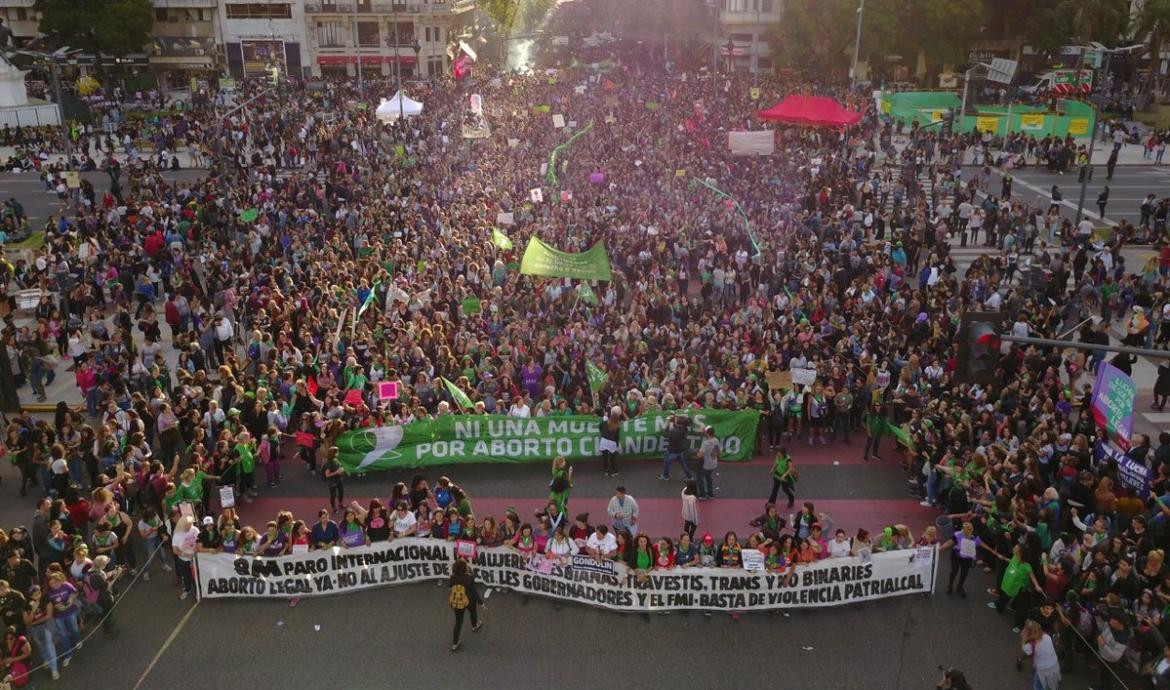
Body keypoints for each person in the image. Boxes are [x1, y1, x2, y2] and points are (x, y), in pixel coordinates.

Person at [448, 558, 483, 652]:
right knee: (473, 612)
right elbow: (474, 592)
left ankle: (455, 644)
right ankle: (474, 626)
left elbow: (450, 586)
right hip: (469, 600)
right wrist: (481, 603)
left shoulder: (453, 577)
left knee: (458, 622)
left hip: (458, 602)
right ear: (465, 568)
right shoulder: (470, 578)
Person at [1021, 619, 1061, 690]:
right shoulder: (1047, 637)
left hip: (1042, 669)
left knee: (1038, 686)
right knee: (1053, 684)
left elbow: (1026, 651)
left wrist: (1023, 640)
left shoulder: (1030, 645)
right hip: (1055, 664)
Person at [170, 514, 199, 600]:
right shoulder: (177, 534)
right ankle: (187, 590)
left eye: (191, 524)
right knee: (186, 577)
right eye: (188, 525)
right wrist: (186, 555)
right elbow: (175, 550)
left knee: (196, 578)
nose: (190, 527)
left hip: (195, 559)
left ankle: (198, 592)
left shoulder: (195, 530)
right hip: (183, 560)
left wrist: (196, 551)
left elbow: (200, 541)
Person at [659, 414, 693, 481]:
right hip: (680, 450)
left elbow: (664, 434)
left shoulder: (673, 431)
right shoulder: (684, 429)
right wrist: (675, 417)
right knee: (684, 464)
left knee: (666, 463)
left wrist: (667, 423)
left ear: (677, 423)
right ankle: (689, 476)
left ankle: (665, 476)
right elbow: (683, 422)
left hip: (672, 451)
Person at [697, 426, 720, 500]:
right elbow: (719, 452)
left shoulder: (705, 443)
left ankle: (702, 495)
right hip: (714, 463)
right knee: (708, 477)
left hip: (706, 464)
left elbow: (700, 455)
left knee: (699, 477)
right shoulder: (716, 440)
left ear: (707, 433)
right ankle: (710, 494)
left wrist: (697, 453)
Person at [599, 407, 622, 476]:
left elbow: (600, 427)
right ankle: (614, 471)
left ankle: (606, 470)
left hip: (604, 441)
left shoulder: (605, 422)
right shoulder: (617, 426)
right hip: (612, 442)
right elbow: (616, 437)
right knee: (612, 458)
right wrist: (617, 444)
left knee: (605, 457)